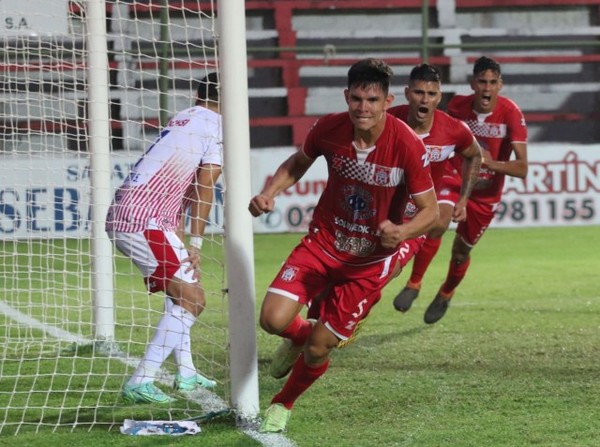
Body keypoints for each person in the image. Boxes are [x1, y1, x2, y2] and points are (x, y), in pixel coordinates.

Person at [248, 58, 438, 433]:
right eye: (356, 99)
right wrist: (269, 192)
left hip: (369, 262)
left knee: (321, 348)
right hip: (323, 242)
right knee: (272, 319)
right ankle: (300, 336)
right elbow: (298, 162)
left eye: (372, 100)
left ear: (387, 102)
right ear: (346, 97)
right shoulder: (330, 128)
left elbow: (430, 211)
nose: (363, 108)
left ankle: (283, 403)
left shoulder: (406, 145)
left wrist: (401, 232)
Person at [105, 72, 222, 404]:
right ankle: (141, 379)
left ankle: (185, 372)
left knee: (181, 293)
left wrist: (181, 236)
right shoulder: (217, 124)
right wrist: (197, 243)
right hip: (145, 219)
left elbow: (180, 185)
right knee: (193, 299)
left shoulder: (184, 117)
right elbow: (204, 185)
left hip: (142, 214)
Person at [393, 56, 528, 324]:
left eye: (492, 82)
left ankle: (446, 292)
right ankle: (414, 283)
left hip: (486, 194)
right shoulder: (457, 106)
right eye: (482, 82)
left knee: (460, 252)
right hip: (453, 179)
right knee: (437, 222)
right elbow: (444, 132)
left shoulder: (510, 113)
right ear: (473, 84)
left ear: (500, 85)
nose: (487, 88)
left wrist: (491, 163)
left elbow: (522, 168)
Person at [387, 64, 482, 312]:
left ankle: (416, 283)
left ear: (439, 97)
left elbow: (474, 155)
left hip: (423, 208)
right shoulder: (386, 122)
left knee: (439, 224)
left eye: (431, 94)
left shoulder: (452, 129)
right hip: (389, 205)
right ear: (407, 93)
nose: (424, 99)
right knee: (373, 269)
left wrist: (463, 199)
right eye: (419, 92)